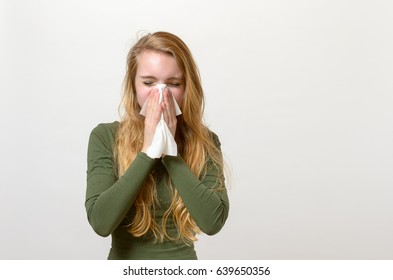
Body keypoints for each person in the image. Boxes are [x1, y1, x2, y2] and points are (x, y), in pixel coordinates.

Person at [85, 31, 229, 260]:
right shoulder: (105, 136)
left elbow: (213, 222)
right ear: (133, 85)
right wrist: (148, 152)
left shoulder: (206, 141)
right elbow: (101, 223)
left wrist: (171, 154)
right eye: (148, 82)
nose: (160, 94)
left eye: (173, 83)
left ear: (186, 87)